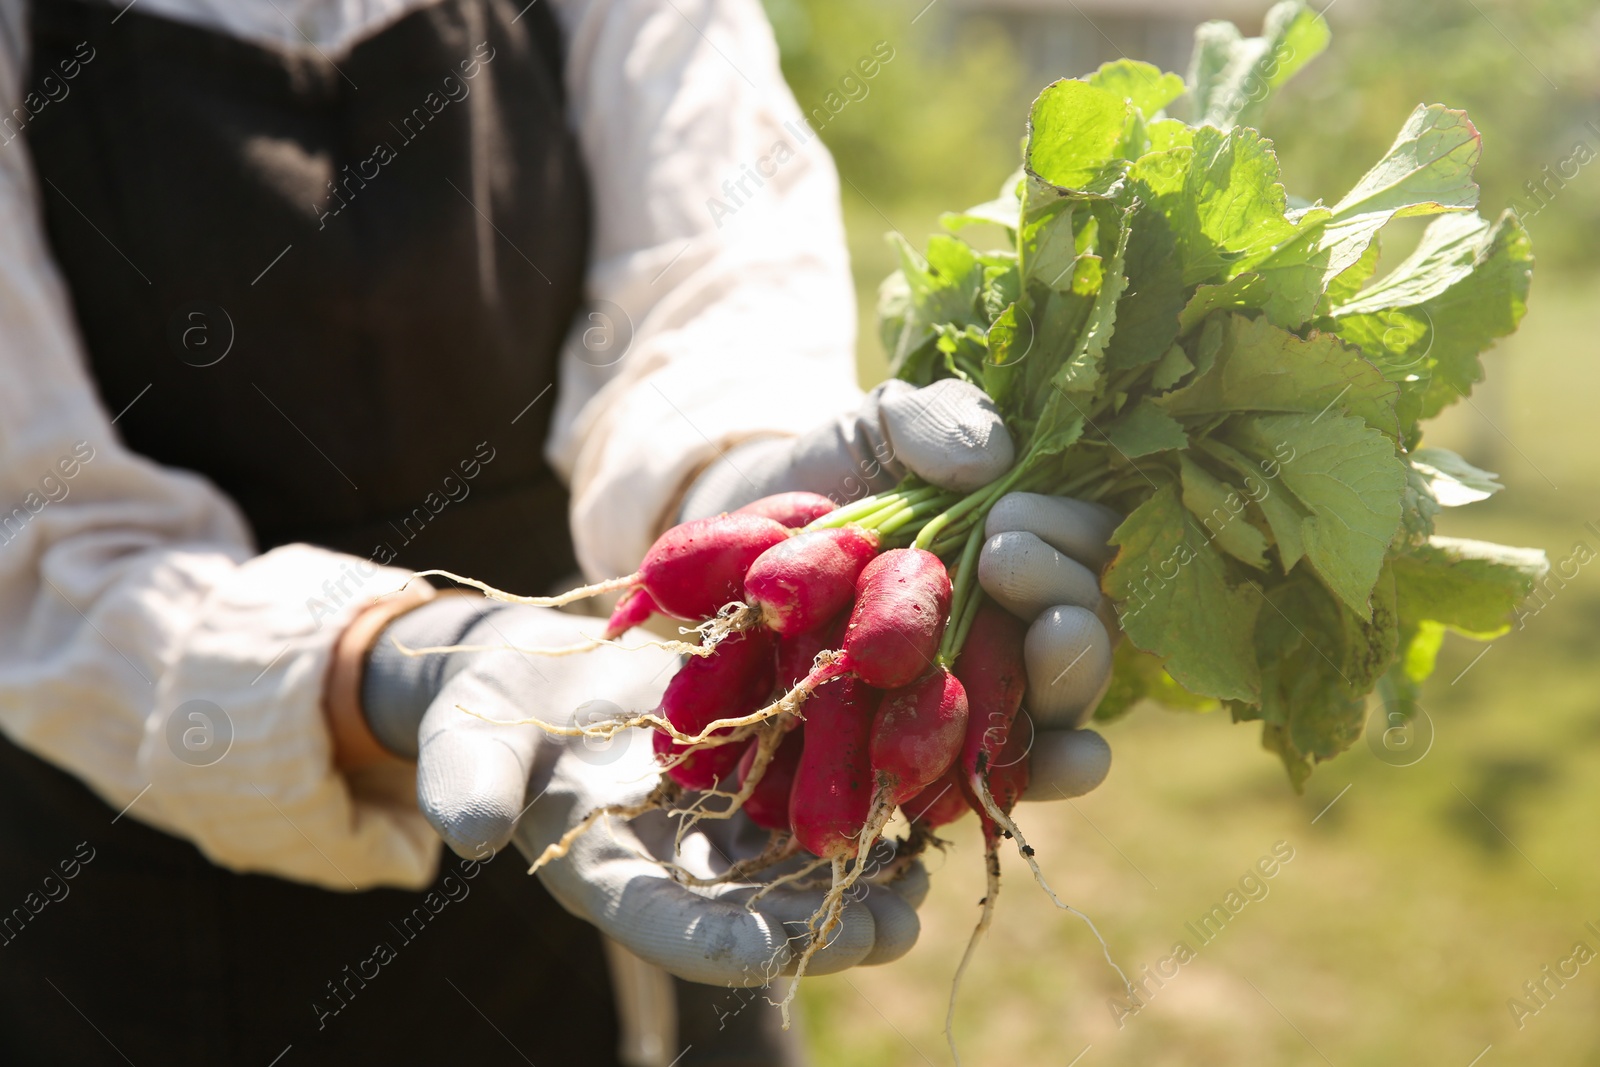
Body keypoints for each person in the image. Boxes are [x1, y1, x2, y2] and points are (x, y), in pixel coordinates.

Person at [0, 0, 1117, 1063]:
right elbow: (30, 534)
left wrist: (735, 476)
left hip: (633, 790)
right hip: (139, 904)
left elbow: (713, 271)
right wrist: (399, 660)